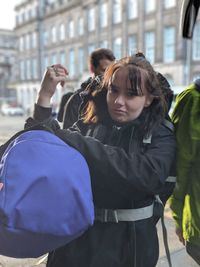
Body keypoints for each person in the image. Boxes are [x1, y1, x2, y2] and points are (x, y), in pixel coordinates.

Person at [26, 53, 176, 267]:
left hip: (128, 249)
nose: (119, 102)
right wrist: (44, 97)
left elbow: (145, 176)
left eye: (132, 94)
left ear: (149, 98)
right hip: (74, 243)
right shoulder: (90, 122)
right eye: (114, 90)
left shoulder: (160, 133)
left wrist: (71, 140)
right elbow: (42, 151)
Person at [169, 79, 200, 265]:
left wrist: (178, 217)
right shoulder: (193, 100)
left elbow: (181, 164)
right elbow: (181, 164)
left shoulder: (192, 99)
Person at [62, 48, 115, 129]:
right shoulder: (77, 99)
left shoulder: (115, 97)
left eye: (112, 72)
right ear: (92, 68)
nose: (109, 76)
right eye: (104, 71)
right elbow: (67, 135)